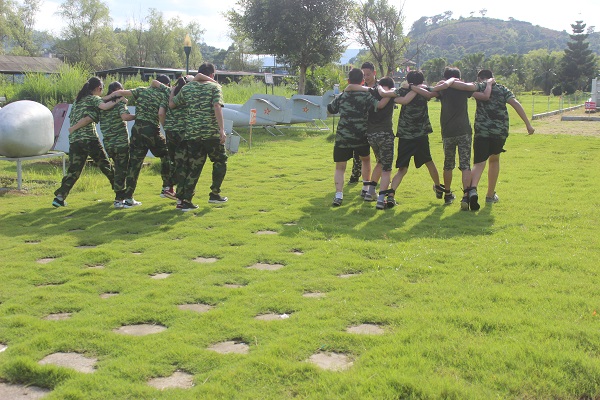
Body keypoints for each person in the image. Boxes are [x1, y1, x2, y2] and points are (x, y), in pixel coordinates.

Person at [408, 68, 493, 209]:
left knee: (448, 164)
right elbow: (484, 96)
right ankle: (466, 195)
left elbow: (428, 94)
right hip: (464, 130)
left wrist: (412, 87)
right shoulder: (464, 88)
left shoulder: (443, 89)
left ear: (445, 77)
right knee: (465, 165)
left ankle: (447, 194)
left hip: (448, 132)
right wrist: (489, 83)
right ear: (458, 77)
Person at [466, 69, 535, 210]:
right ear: (493, 77)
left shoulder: (479, 88)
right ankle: (490, 195)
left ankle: (471, 191)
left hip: (482, 131)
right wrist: (528, 124)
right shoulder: (503, 89)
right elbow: (515, 103)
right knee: (494, 160)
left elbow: (466, 90)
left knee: (479, 163)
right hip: (499, 131)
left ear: (479, 78)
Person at [345, 76, 417, 209]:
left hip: (371, 135)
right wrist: (414, 88)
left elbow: (351, 88)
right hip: (385, 135)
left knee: (380, 162)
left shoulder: (372, 93)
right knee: (387, 168)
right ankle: (381, 199)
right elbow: (405, 99)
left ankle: (370, 192)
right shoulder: (391, 94)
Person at [377, 70, 446, 206]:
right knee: (429, 162)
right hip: (421, 135)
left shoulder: (403, 91)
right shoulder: (424, 91)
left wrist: (380, 86)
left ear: (408, 81)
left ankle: (391, 194)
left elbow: (386, 94)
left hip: (405, 135)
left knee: (402, 169)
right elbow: (436, 91)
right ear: (421, 80)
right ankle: (438, 187)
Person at [52, 77, 123, 207]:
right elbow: (102, 108)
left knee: (74, 171)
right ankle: (121, 194)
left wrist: (73, 129)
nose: (102, 92)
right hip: (89, 139)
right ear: (98, 88)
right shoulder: (93, 99)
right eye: (102, 89)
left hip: (75, 141)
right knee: (106, 166)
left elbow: (103, 100)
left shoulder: (78, 101)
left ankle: (60, 197)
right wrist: (119, 98)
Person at [169, 62, 228, 211]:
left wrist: (173, 90)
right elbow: (217, 106)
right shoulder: (215, 87)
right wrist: (222, 130)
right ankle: (215, 193)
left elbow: (172, 104)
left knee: (194, 167)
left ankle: (186, 200)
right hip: (211, 133)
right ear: (212, 75)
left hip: (193, 134)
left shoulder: (187, 88)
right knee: (220, 161)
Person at [110, 75, 172, 208]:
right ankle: (166, 186)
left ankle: (128, 198)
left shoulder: (142, 90)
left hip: (137, 130)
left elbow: (120, 92)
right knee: (167, 154)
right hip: (151, 130)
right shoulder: (165, 94)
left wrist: (106, 99)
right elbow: (161, 113)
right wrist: (166, 129)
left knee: (134, 164)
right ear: (166, 85)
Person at [326, 68, 385, 207]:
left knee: (340, 167)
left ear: (348, 81)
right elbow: (378, 106)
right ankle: (365, 188)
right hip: (361, 135)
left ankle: (338, 195)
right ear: (363, 81)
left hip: (343, 136)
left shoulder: (342, 95)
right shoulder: (366, 95)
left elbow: (330, 109)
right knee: (366, 160)